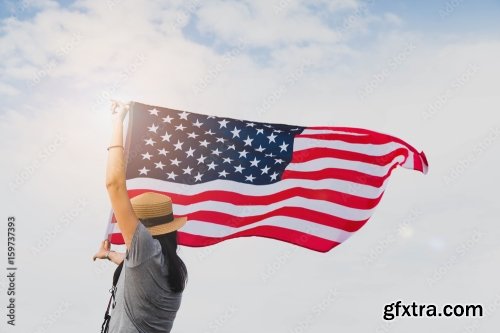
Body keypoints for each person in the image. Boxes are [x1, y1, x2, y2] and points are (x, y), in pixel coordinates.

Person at [93, 100, 188, 332]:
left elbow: (114, 184)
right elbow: (129, 263)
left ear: (143, 230)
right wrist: (109, 255)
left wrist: (118, 120)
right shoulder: (172, 267)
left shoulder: (144, 249)